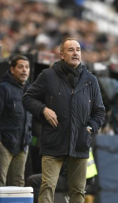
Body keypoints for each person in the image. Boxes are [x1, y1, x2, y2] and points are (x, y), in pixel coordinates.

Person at [23, 38, 105, 203]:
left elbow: (99, 111)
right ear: (61, 54)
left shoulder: (91, 80)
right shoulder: (48, 75)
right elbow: (28, 98)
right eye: (71, 50)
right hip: (54, 142)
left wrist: (90, 127)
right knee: (47, 187)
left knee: (78, 192)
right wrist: (43, 110)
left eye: (78, 50)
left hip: (80, 143)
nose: (75, 53)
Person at [0, 55, 32, 187]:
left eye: (27, 67)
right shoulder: (2, 88)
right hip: (4, 145)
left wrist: (28, 139)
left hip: (22, 146)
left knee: (19, 184)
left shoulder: (30, 91)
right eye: (20, 67)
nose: (24, 70)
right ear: (12, 70)